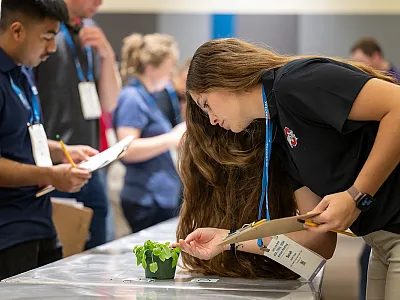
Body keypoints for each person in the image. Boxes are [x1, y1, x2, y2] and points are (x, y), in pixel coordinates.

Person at [172, 38, 400, 299]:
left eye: (206, 104)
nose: (211, 120)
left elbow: (398, 105)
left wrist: (357, 195)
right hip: (380, 241)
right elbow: (318, 240)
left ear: (224, 79)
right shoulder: (277, 134)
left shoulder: (296, 81)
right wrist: (229, 239)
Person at [0, 0, 96, 280]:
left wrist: (62, 152)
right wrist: (50, 174)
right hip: (9, 232)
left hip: (39, 221)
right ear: (17, 31)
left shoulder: (22, 71)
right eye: (47, 37)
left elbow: (20, 139)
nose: (52, 48)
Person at [34, 0, 121, 249]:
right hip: (53, 166)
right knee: (59, 255)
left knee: (97, 253)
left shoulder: (90, 33)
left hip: (90, 161)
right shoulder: (45, 31)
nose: (99, 2)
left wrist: (107, 54)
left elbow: (108, 102)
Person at [114, 33, 186, 234]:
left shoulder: (147, 97)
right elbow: (126, 149)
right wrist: (171, 138)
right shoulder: (132, 98)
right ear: (151, 67)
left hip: (158, 196)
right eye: (169, 66)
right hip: (145, 197)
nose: (172, 73)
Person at [350, 37, 400, 300]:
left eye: (362, 61)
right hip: (380, 188)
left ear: (377, 56)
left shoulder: (393, 84)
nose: (359, 68)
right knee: (370, 254)